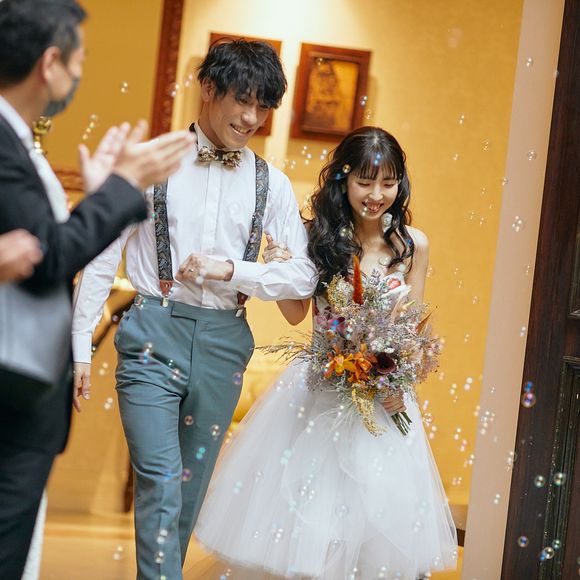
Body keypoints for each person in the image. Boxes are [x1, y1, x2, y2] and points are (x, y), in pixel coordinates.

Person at [71, 39, 317, 579]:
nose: (251, 118)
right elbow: (102, 252)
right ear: (208, 88)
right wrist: (80, 343)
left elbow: (303, 276)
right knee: (160, 479)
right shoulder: (150, 163)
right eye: (242, 101)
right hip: (152, 333)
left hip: (225, 342)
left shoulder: (271, 184)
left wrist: (234, 270)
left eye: (263, 107)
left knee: (189, 490)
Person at [191, 127, 458, 579]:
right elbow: (297, 314)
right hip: (319, 392)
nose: (376, 195)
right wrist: (278, 267)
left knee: (374, 529)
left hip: (384, 401)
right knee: (312, 525)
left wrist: (397, 379)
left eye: (388, 183)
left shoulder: (413, 245)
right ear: (343, 180)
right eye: (365, 182)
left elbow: (410, 329)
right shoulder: (316, 238)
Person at [0, 1, 194, 578]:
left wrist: (103, 195)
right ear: (49, 64)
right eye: (79, 61)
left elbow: (42, 248)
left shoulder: (18, 145)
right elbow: (48, 259)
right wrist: (124, 189)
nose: (81, 74)